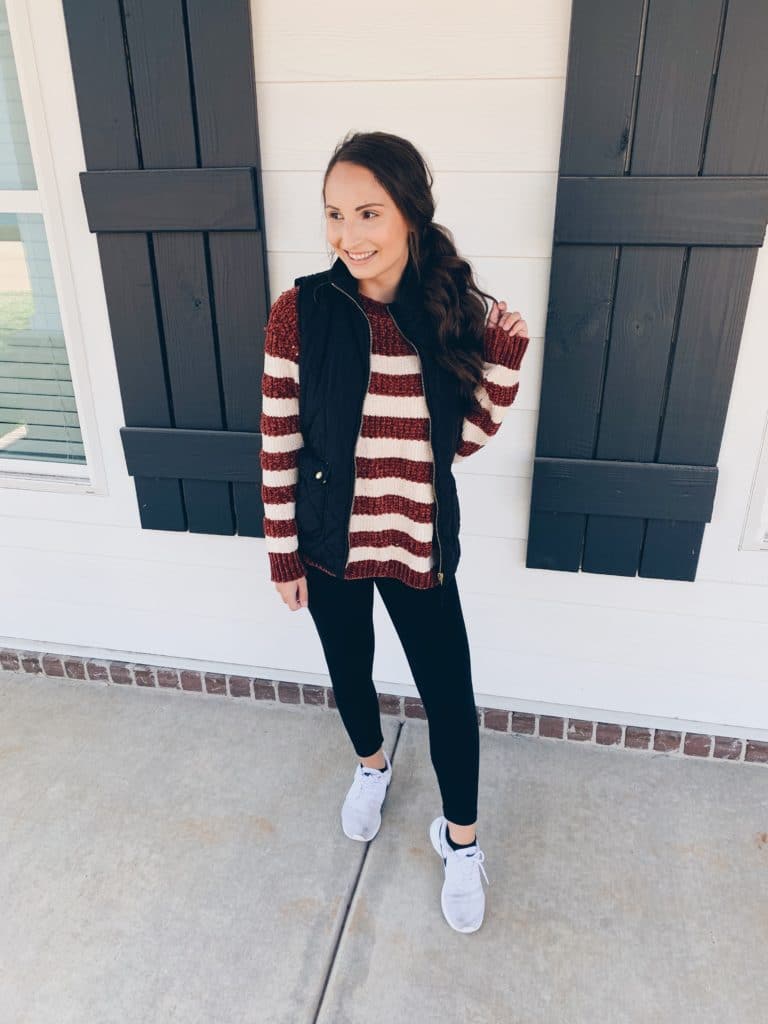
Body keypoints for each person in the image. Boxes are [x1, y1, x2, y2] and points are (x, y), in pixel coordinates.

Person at [260, 130, 529, 934]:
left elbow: (455, 445)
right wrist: (283, 549)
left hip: (417, 540)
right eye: (335, 215)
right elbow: (278, 437)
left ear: (411, 214)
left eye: (369, 212)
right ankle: (372, 766)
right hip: (331, 544)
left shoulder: (447, 311)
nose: (349, 235)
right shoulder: (300, 310)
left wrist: (506, 357)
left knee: (451, 695)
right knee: (350, 669)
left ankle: (462, 839)